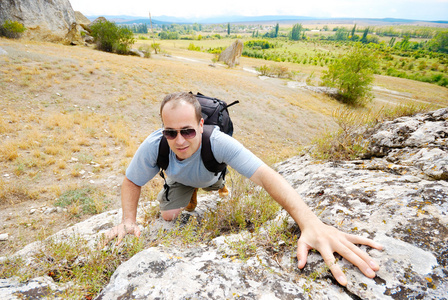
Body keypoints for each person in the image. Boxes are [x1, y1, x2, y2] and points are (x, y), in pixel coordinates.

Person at [104, 92, 383, 286]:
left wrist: (311, 223)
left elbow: (267, 177)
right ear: (163, 129)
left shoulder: (220, 143)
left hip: (211, 173)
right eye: (170, 132)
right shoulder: (156, 145)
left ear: (201, 125)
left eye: (188, 130)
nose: (179, 140)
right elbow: (132, 181)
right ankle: (190, 192)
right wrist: (128, 221)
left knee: (214, 182)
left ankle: (214, 185)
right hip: (179, 180)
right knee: (168, 216)